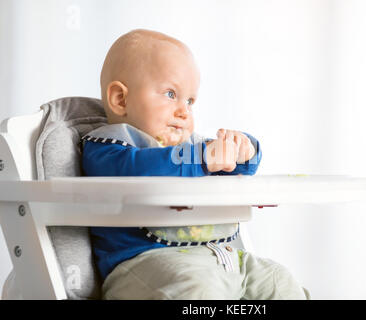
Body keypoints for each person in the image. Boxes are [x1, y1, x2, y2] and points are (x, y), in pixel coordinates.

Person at [81, 29, 310, 300]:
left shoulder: (192, 147)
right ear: (121, 99)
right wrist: (203, 158)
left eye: (190, 100)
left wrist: (242, 152)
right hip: (151, 266)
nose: (184, 111)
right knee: (196, 293)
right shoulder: (109, 149)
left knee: (280, 283)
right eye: (170, 94)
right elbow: (143, 169)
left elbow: (230, 169)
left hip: (223, 259)